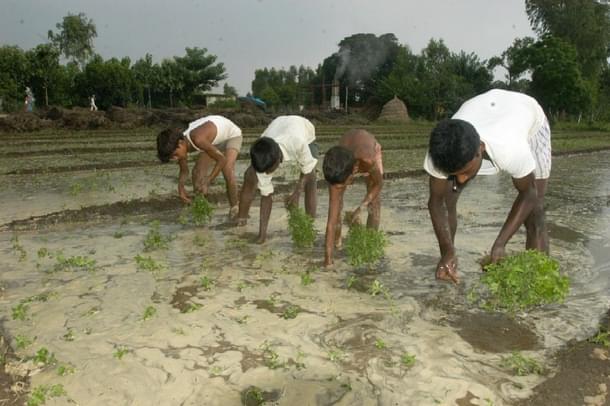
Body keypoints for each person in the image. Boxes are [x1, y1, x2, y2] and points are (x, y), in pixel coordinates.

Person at [424, 89, 551, 284]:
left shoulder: (511, 149)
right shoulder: (440, 152)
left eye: (466, 171)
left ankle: (538, 277)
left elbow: (529, 193)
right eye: (454, 173)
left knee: (535, 212)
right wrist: (447, 251)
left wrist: (500, 244)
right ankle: (450, 262)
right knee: (448, 195)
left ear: (480, 150)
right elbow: (436, 202)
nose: (462, 180)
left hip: (530, 118)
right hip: (484, 109)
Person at [236, 115, 318, 243]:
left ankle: (309, 223)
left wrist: (297, 192)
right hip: (278, 124)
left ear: (278, 159)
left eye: (269, 170)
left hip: (303, 127)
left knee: (311, 179)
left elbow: (307, 170)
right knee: (251, 176)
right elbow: (266, 197)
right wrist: (262, 235)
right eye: (265, 171)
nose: (267, 173)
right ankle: (242, 219)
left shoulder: (297, 143)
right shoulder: (263, 152)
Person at [156, 115, 242, 217]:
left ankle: (235, 209)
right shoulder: (180, 145)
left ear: (181, 143)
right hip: (212, 142)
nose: (175, 158)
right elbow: (184, 171)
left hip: (231, 135)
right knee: (197, 172)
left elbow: (221, 159)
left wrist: (208, 180)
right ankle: (202, 210)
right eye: (171, 157)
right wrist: (181, 188)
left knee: (227, 168)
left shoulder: (198, 139)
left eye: (175, 155)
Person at [322, 129, 383, 266]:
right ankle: (337, 242)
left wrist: (361, 208)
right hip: (346, 149)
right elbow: (331, 221)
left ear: (354, 171)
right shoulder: (337, 167)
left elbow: (379, 184)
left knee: (374, 203)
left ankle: (370, 243)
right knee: (336, 207)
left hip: (369, 148)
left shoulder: (368, 161)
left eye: (344, 183)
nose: (341, 187)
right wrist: (328, 261)